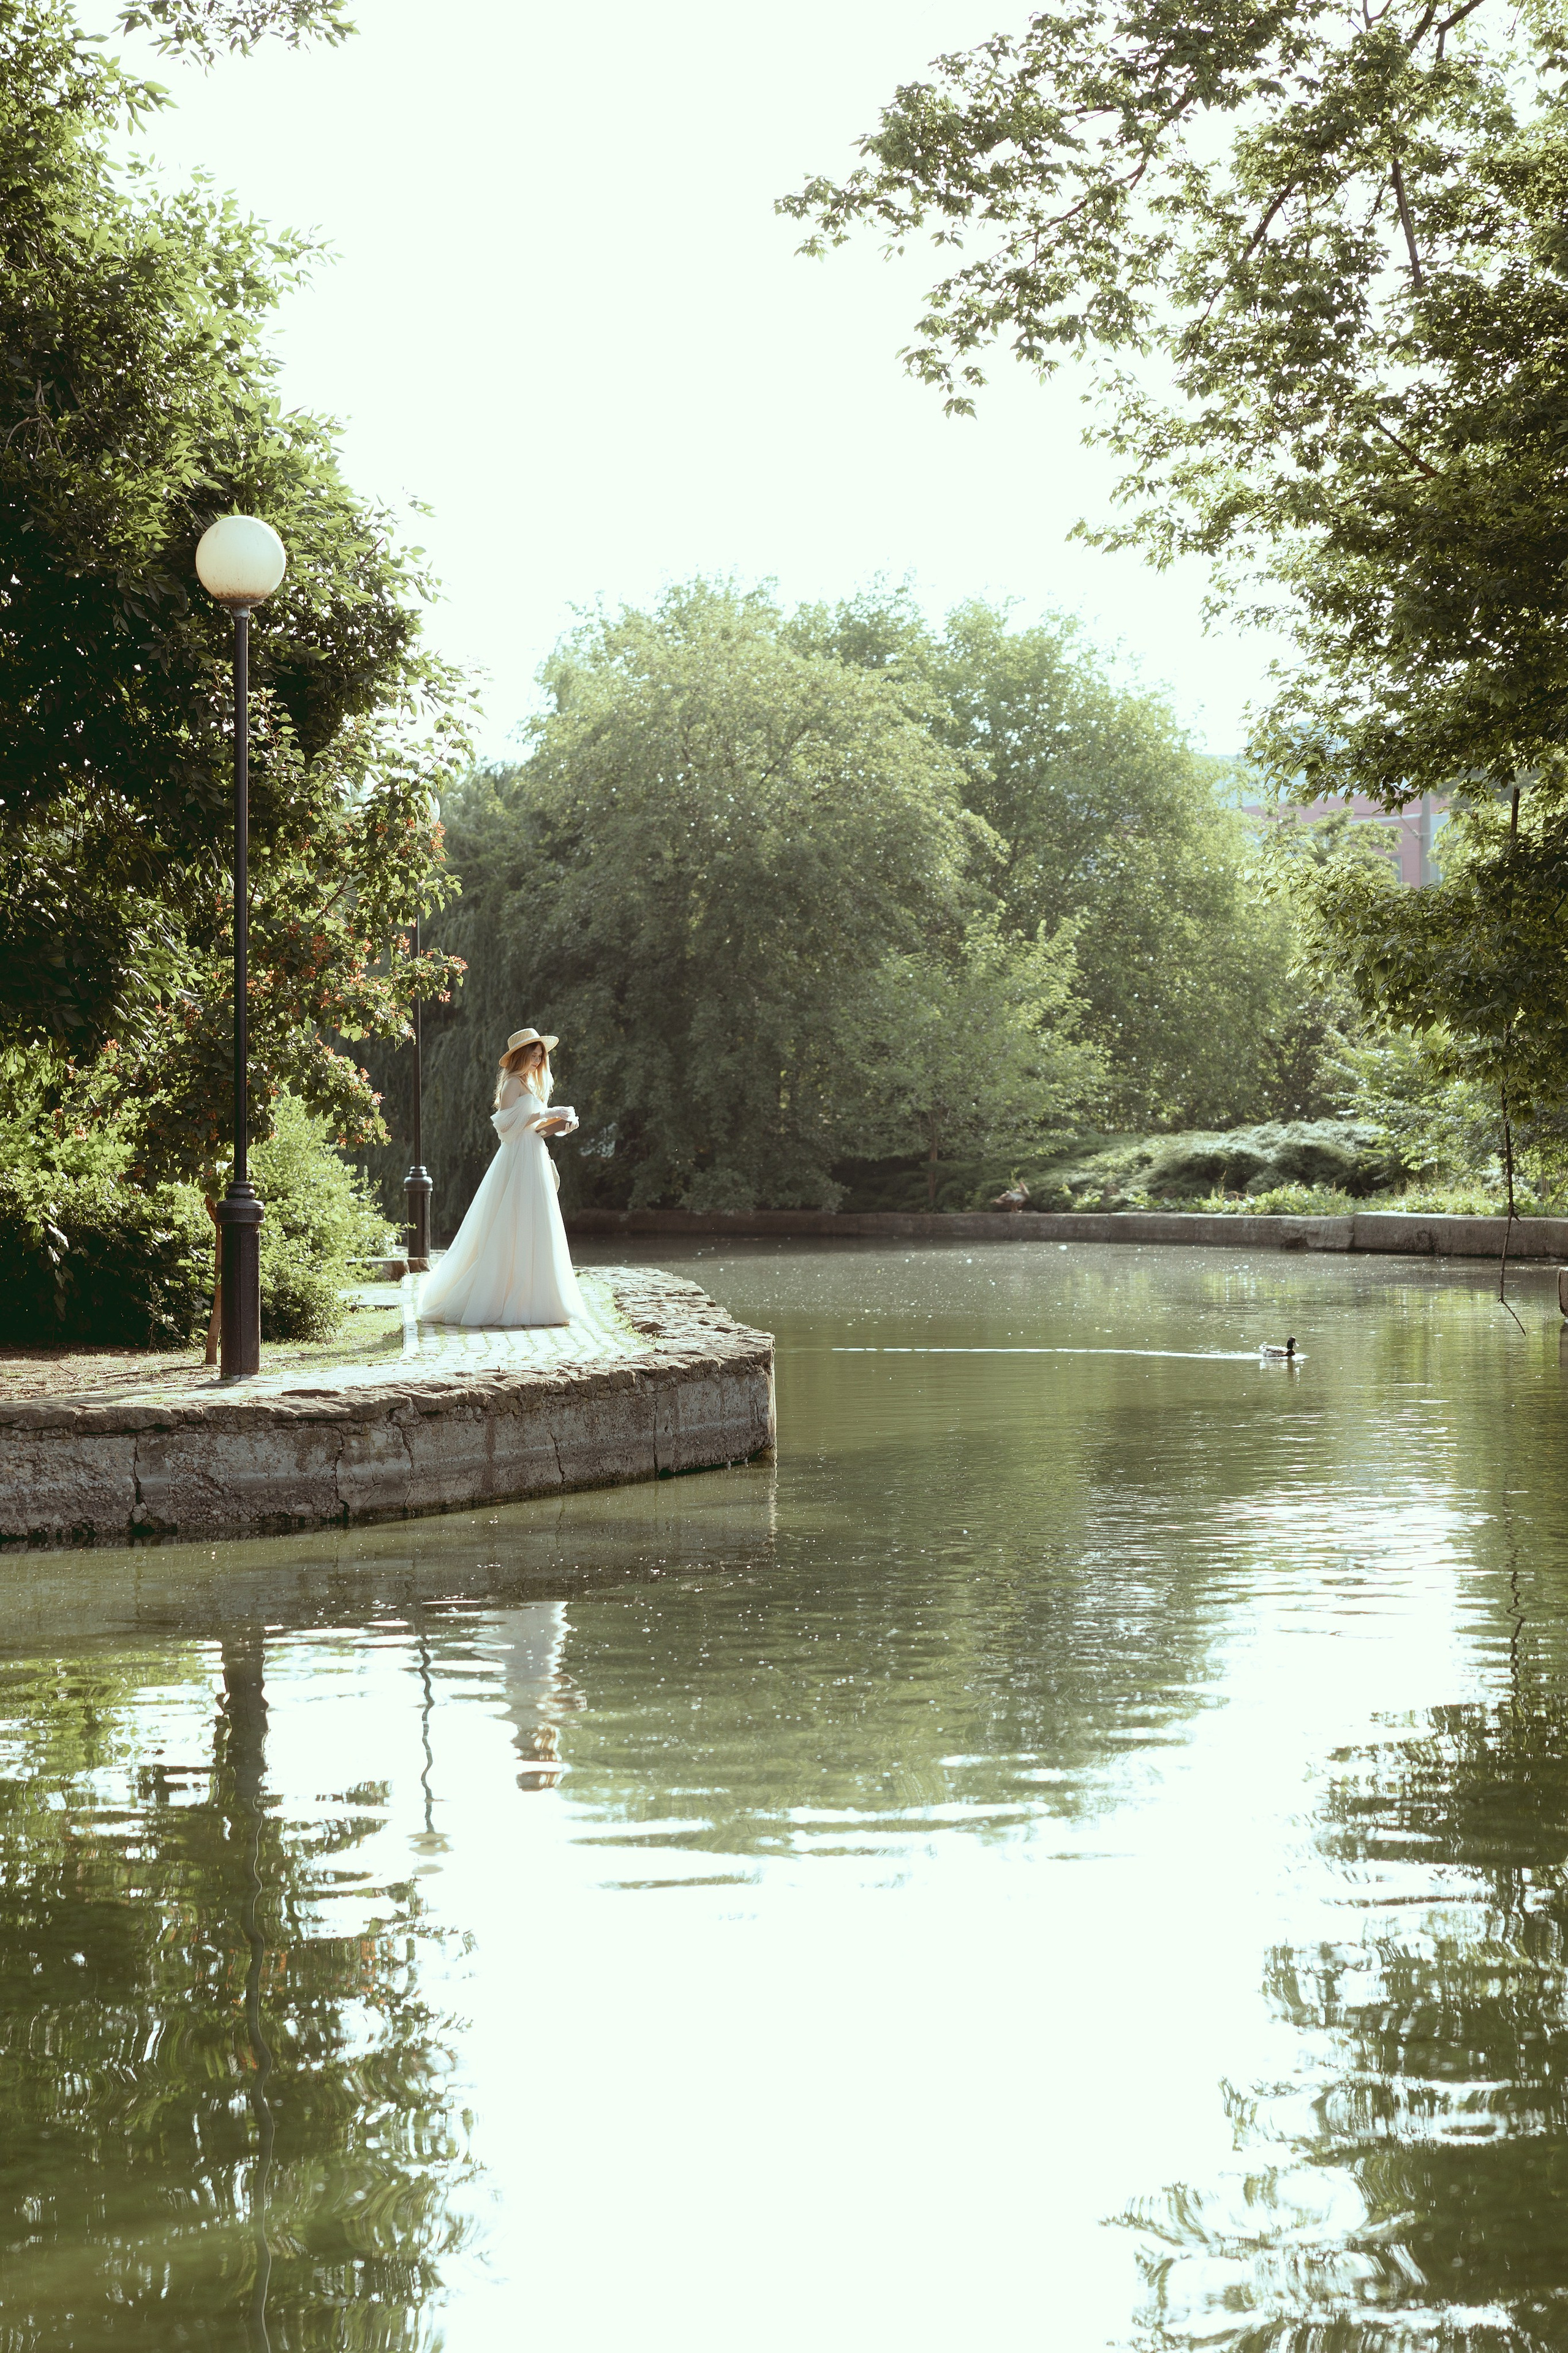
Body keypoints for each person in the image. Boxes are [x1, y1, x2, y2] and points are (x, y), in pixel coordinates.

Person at [416, 1027, 584, 1328]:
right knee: (511, 1222)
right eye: (533, 1055)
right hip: (517, 1160)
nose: (537, 1060)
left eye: (540, 1056)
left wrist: (561, 1124)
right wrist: (548, 1113)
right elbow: (505, 1127)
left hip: (534, 1156)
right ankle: (501, 1297)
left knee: (538, 1222)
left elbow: (534, 1129)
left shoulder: (530, 1085)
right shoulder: (511, 1084)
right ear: (521, 1056)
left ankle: (539, 1298)